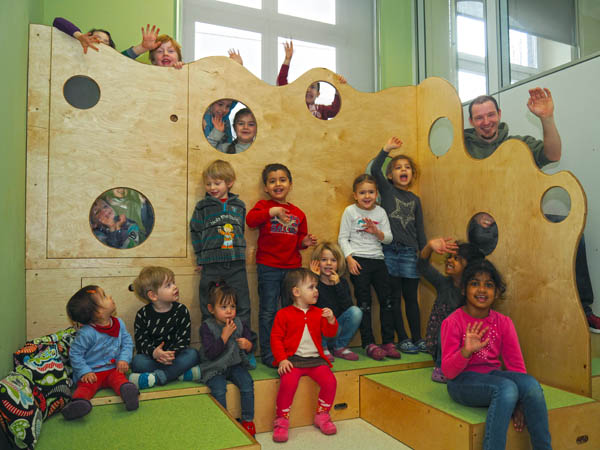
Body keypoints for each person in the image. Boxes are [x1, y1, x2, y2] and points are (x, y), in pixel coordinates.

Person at [441, 259, 552, 450]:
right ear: (463, 290)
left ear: (497, 292)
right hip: (461, 382)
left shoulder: (503, 322)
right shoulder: (453, 322)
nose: (482, 290)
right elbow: (449, 372)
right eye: (475, 283)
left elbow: (516, 367)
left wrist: (520, 404)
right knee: (506, 388)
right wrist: (465, 352)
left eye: (489, 285)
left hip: (492, 377)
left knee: (531, 384)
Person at [246, 163, 318, 366]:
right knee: (268, 311)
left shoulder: (299, 213)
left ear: (290, 184)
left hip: (293, 270)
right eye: (272, 181)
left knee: (291, 311)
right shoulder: (264, 206)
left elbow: (299, 240)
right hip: (268, 267)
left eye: (282, 180)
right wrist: (272, 211)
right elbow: (250, 220)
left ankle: (289, 351)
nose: (278, 184)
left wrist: (305, 242)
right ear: (266, 188)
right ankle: (269, 354)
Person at [370, 137, 427, 354]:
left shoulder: (415, 199)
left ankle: (417, 337)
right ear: (390, 175)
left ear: (412, 174)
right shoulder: (387, 190)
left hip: (410, 253)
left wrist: (423, 253)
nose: (403, 170)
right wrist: (386, 150)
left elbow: (420, 229)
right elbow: (375, 169)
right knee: (393, 297)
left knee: (411, 298)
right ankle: (402, 338)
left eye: (407, 168)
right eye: (398, 168)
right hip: (390, 251)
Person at [270, 268, 339, 442]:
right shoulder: (283, 314)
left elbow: (330, 334)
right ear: (296, 292)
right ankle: (281, 420)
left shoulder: (319, 312)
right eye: (311, 287)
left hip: (316, 361)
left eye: (316, 287)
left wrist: (331, 320)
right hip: (292, 360)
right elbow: (276, 338)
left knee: (330, 382)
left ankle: (322, 415)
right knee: (288, 383)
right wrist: (282, 359)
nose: (316, 291)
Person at [338, 174, 401, 361]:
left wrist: (376, 231)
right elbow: (342, 238)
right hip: (359, 260)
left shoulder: (380, 213)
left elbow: (388, 238)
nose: (367, 196)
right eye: (362, 192)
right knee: (364, 303)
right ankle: (369, 343)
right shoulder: (350, 211)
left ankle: (388, 341)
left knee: (387, 301)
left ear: (377, 194)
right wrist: (349, 258)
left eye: (371, 192)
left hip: (378, 260)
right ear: (355, 195)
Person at [189, 160, 254, 343]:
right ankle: (210, 345)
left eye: (217, 183)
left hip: (236, 263)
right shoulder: (202, 206)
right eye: (208, 184)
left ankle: (244, 344)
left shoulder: (239, 205)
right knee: (207, 304)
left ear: (229, 182)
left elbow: (240, 229)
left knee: (243, 304)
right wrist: (200, 258)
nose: (212, 187)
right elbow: (195, 230)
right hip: (211, 263)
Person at [62, 285, 139, 420]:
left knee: (119, 379)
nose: (109, 297)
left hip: (112, 369)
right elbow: (75, 354)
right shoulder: (87, 333)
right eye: (104, 297)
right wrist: (84, 371)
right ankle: (78, 403)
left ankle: (128, 393)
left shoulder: (118, 323)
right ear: (98, 313)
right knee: (86, 387)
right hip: (92, 373)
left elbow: (127, 343)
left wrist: (124, 359)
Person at [418, 237, 483, 382]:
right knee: (449, 323)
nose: (449, 261)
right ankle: (441, 368)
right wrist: (429, 246)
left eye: (457, 259)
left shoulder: (473, 290)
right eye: (449, 257)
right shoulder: (443, 284)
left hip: (465, 346)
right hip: (441, 344)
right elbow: (422, 266)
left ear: (469, 266)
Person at [199, 281, 256, 437]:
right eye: (223, 307)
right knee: (218, 389)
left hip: (235, 364)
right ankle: (224, 423)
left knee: (247, 384)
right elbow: (210, 354)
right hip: (214, 367)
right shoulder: (207, 327)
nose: (229, 311)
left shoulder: (239, 323)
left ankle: (248, 421)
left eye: (232, 306)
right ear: (211, 309)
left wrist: (248, 344)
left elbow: (251, 345)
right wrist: (224, 336)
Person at [128, 267, 200, 389]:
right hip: (153, 358)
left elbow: (184, 340)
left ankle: (158, 377)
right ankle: (177, 374)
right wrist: (156, 353)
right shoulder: (143, 314)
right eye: (168, 285)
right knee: (137, 361)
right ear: (153, 295)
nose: (175, 287)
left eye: (173, 283)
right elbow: (141, 343)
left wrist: (170, 354)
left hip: (175, 357)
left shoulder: (181, 310)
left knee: (193, 354)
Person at [310, 242, 362, 361]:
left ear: (338, 263)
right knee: (317, 313)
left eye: (333, 260)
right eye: (324, 259)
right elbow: (311, 306)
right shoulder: (312, 282)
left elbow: (348, 307)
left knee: (356, 311)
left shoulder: (342, 282)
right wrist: (314, 278)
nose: (328, 263)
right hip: (319, 333)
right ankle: (322, 348)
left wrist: (337, 284)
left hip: (335, 329)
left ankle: (340, 347)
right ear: (317, 262)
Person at [276, 40, 346, 120]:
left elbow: (335, 110)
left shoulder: (321, 110)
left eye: (313, 87)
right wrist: (287, 60)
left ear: (318, 93)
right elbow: (282, 84)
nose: (309, 89)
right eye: (306, 87)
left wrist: (339, 87)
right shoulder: (295, 106)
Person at [53, 18, 161, 58]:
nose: (101, 42)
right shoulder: (76, 53)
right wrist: (79, 36)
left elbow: (126, 57)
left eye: (106, 42)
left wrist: (143, 47)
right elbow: (58, 21)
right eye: (97, 37)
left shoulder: (112, 61)